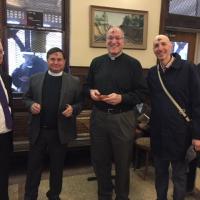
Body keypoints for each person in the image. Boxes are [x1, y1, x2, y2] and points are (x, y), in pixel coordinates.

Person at [84, 26, 148, 200]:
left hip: (123, 118)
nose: (113, 41)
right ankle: (104, 195)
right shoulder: (96, 62)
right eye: (110, 38)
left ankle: (122, 196)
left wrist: (122, 98)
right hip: (99, 117)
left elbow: (142, 93)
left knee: (122, 162)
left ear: (123, 41)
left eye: (117, 38)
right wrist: (90, 92)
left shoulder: (133, 64)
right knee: (100, 161)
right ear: (105, 41)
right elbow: (86, 86)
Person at [23, 47, 82, 200]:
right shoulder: (35, 78)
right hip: (38, 131)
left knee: (57, 168)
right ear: (47, 61)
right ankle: (30, 196)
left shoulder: (74, 81)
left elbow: (81, 103)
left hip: (60, 133)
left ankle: (54, 194)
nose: (56, 62)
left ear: (64, 62)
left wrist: (73, 109)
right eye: (52, 59)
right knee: (33, 168)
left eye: (59, 59)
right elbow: (26, 98)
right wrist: (30, 105)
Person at [147, 34, 200, 200]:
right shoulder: (152, 73)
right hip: (158, 135)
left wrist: (197, 135)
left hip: (181, 134)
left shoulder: (188, 68)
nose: (160, 48)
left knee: (179, 177)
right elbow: (147, 100)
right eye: (156, 45)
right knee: (160, 175)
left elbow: (197, 103)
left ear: (171, 46)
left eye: (163, 44)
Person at [0, 40, 13, 200]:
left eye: (1, 51)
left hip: (5, 133)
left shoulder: (5, 77)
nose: (0, 54)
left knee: (4, 172)